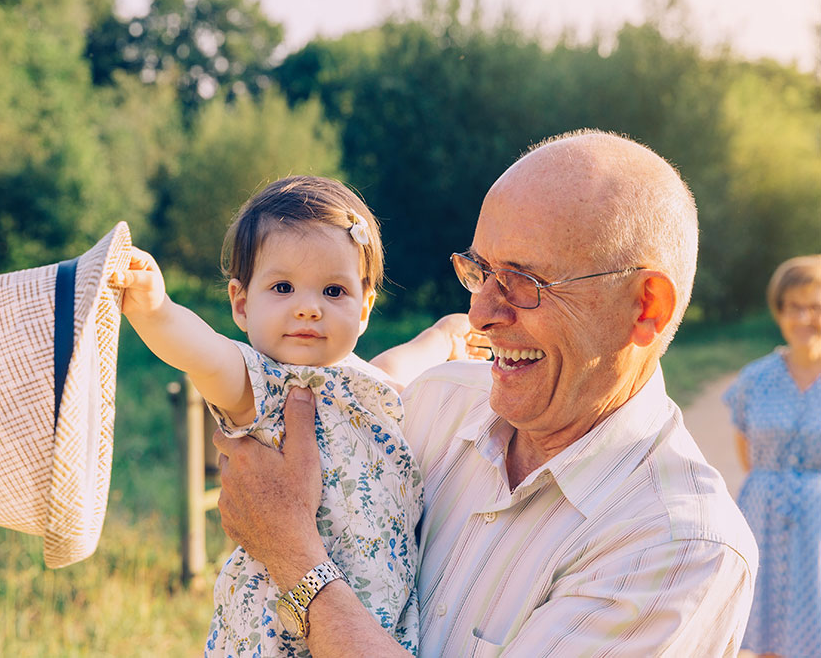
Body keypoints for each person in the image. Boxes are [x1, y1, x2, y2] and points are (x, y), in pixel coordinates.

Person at [213, 130, 760, 657]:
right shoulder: (434, 404)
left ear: (646, 308)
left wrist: (293, 556)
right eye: (479, 271)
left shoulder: (678, 549)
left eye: (524, 282)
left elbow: (285, 526)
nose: (479, 314)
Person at [111, 176, 485, 657]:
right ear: (242, 304)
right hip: (282, 633)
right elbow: (202, 353)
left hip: (371, 628)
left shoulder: (366, 384)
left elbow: (404, 360)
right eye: (283, 287)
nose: (309, 308)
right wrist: (155, 309)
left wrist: (447, 334)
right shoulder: (261, 387)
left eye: (333, 291)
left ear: (364, 307)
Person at [724, 254, 821, 658]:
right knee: (764, 630)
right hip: (761, 514)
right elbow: (747, 454)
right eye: (793, 307)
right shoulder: (754, 379)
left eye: (815, 306)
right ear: (779, 313)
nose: (804, 318)